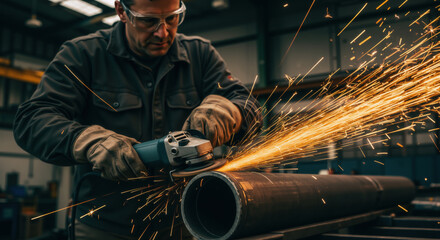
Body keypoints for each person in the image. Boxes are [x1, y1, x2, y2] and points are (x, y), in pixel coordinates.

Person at [13, 0, 262, 239]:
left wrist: (230, 111)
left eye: (172, 18)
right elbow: (31, 120)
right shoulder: (83, 54)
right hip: (104, 228)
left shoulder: (200, 54)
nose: (163, 33)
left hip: (186, 224)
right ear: (122, 11)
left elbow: (248, 104)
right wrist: (87, 141)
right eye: (149, 21)